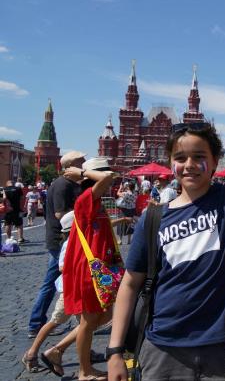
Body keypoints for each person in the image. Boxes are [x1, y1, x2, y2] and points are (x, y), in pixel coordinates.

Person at [107, 40, 225, 381]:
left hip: (224, 346)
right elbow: (131, 284)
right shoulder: (154, 217)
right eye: (180, 158)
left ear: (215, 162)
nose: (189, 165)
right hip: (163, 349)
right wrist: (115, 351)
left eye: (199, 157)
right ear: (169, 164)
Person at [62, 157, 123, 381]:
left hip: (100, 268)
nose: (109, 178)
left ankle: (58, 349)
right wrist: (84, 172)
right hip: (89, 270)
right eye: (103, 173)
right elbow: (108, 177)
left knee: (104, 314)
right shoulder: (85, 199)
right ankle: (84, 371)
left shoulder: (95, 202)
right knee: (88, 322)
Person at [27, 150, 85, 338]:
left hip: (61, 239)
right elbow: (61, 215)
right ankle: (36, 323)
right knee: (51, 283)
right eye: (81, 160)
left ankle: (76, 320)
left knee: (56, 281)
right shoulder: (62, 185)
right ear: (72, 165)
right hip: (60, 240)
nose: (84, 162)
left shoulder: (69, 184)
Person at [22, 211, 81, 376]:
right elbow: (62, 267)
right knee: (56, 321)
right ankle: (33, 353)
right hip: (70, 290)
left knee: (85, 324)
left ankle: (83, 355)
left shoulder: (77, 241)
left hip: (79, 289)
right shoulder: (69, 243)